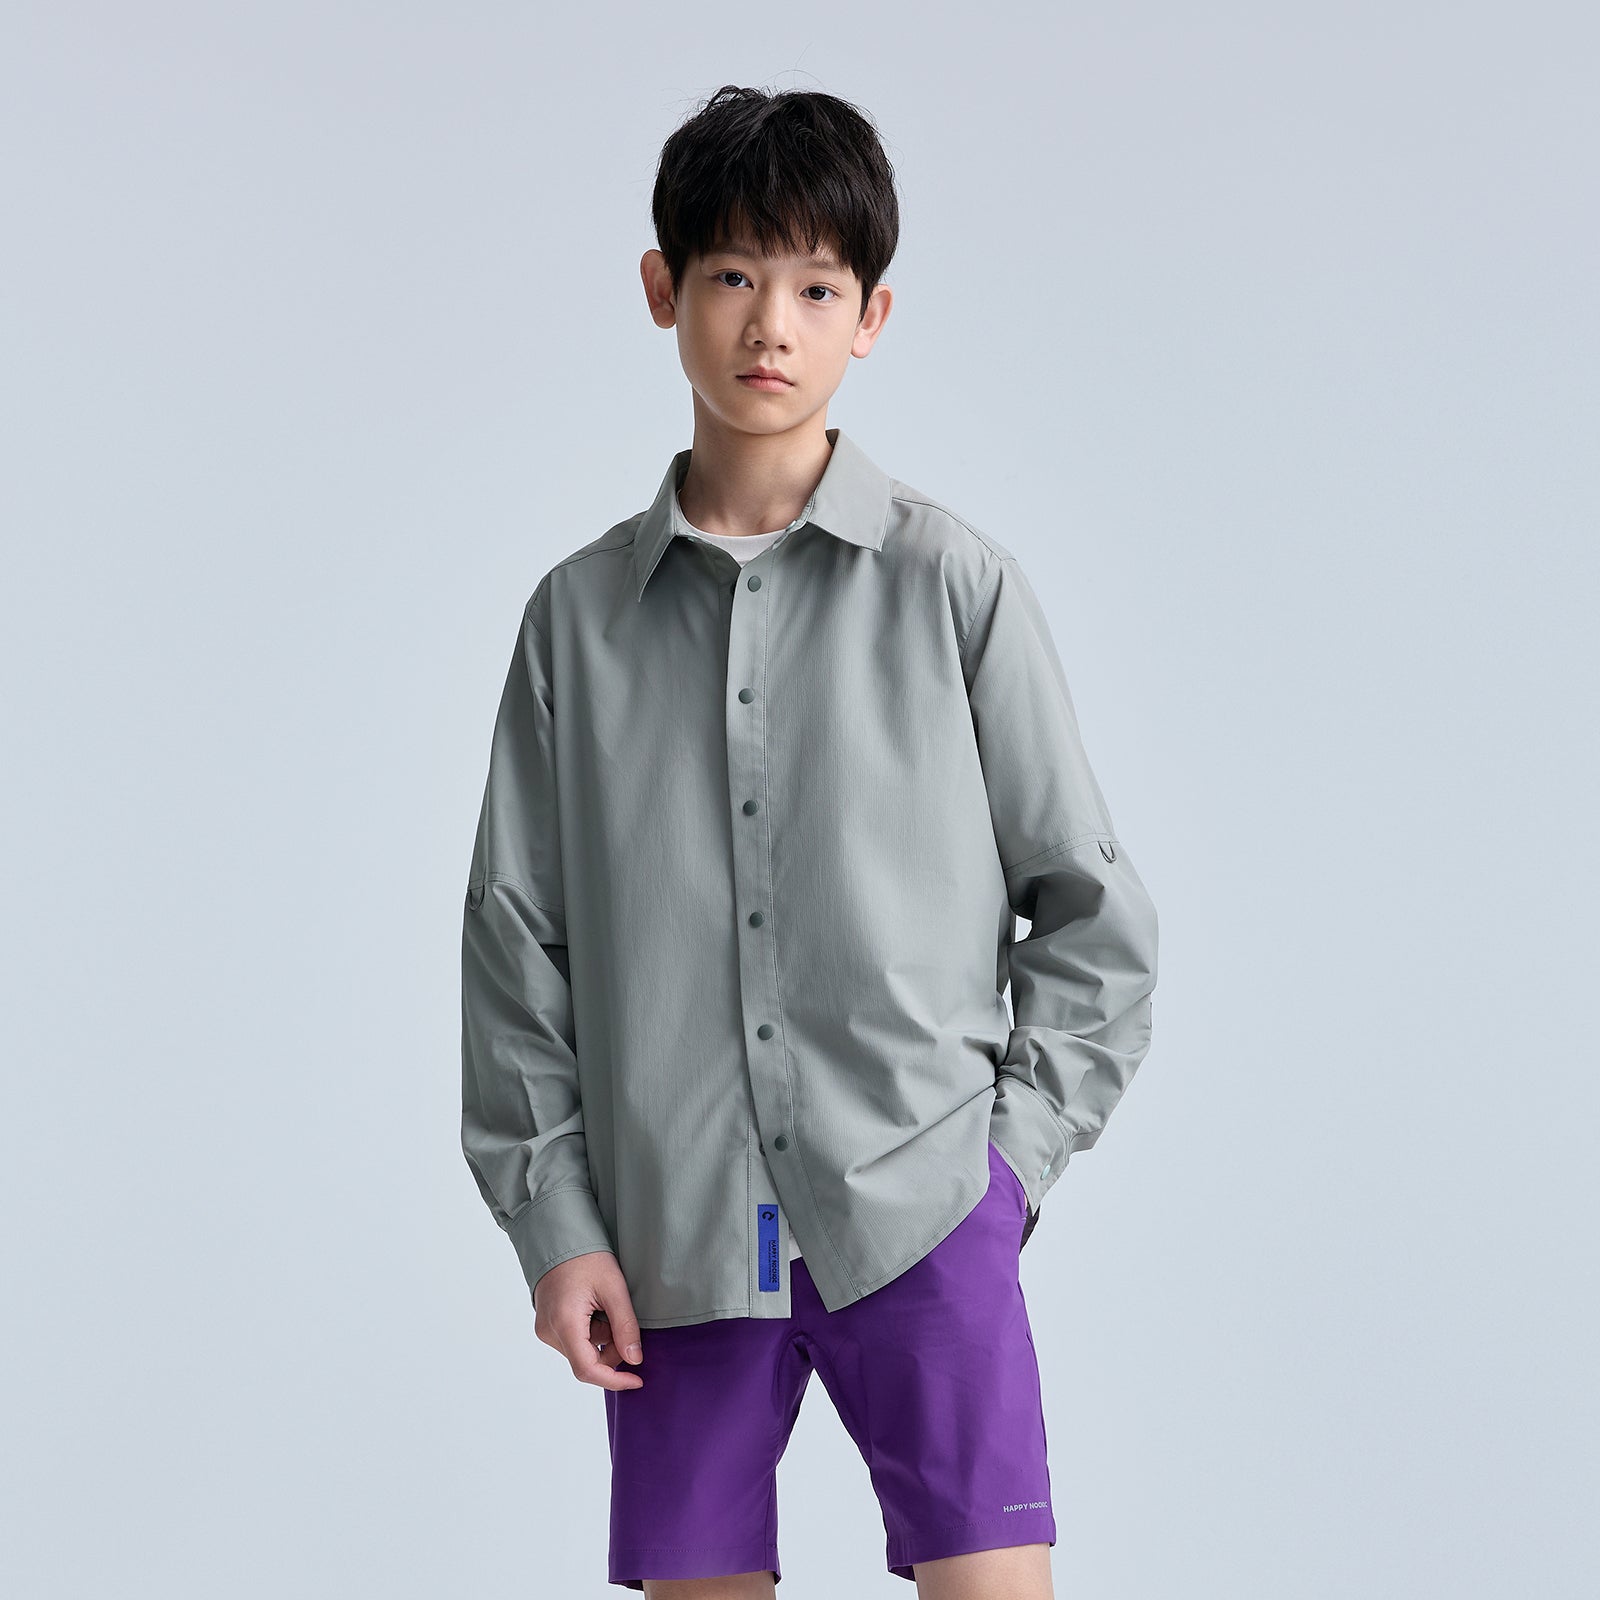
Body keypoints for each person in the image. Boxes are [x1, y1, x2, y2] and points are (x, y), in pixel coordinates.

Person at [460, 84, 1159, 1599]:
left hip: (923, 1205)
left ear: (871, 316)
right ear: (663, 290)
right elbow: (518, 949)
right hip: (673, 1238)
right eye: (731, 275)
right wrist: (557, 1226)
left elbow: (1094, 918)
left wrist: (1004, 1174)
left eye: (816, 287)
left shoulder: (953, 586)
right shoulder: (577, 622)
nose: (770, 324)